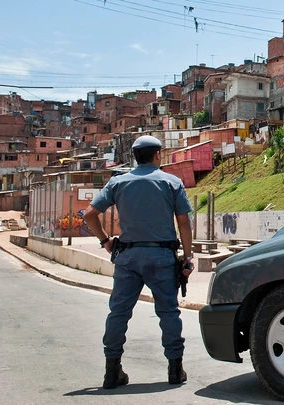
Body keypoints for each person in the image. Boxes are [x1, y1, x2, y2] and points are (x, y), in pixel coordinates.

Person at [83, 135, 195, 389]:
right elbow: (184, 223)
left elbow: (90, 215)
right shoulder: (171, 182)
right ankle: (175, 369)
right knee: (168, 312)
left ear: (135, 156)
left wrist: (105, 241)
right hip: (162, 257)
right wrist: (187, 258)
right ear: (157, 155)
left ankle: (112, 371)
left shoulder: (118, 182)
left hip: (127, 257)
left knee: (119, 313)